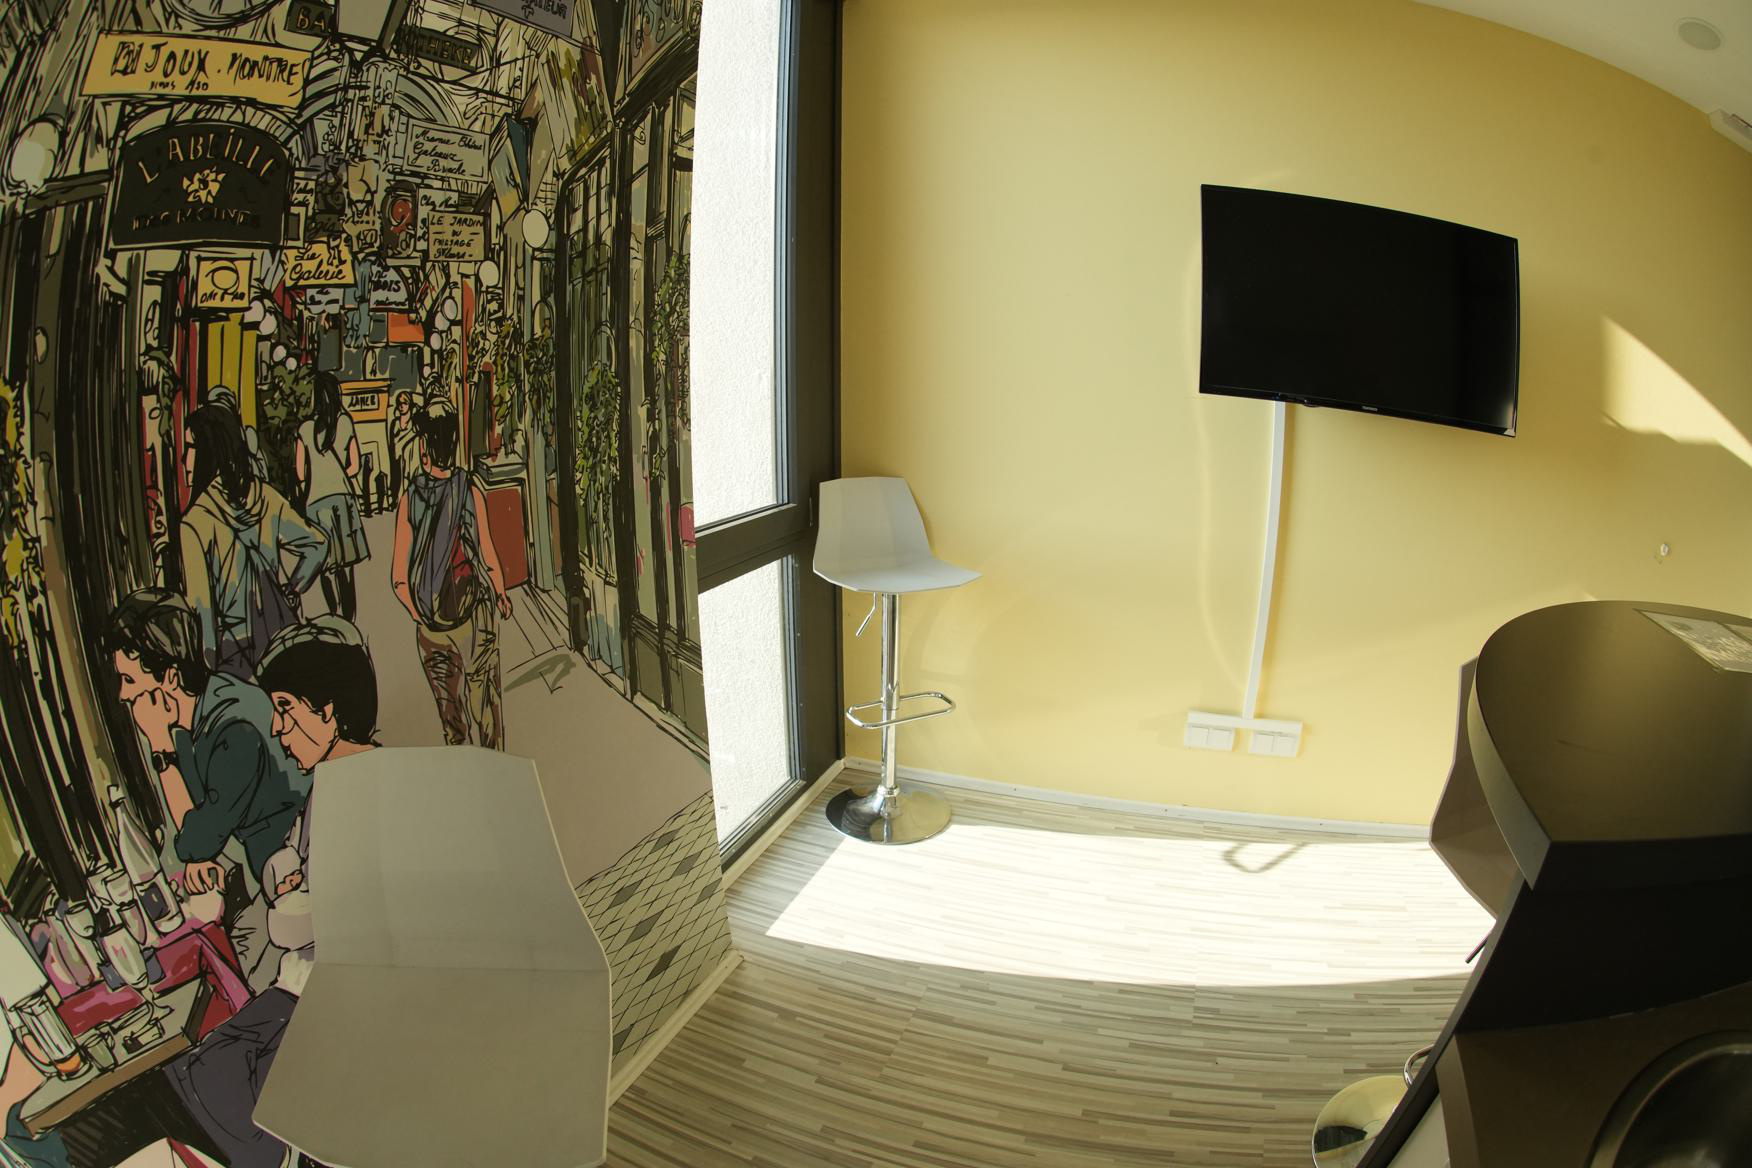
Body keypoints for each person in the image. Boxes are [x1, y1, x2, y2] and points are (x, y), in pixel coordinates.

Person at [166, 617, 376, 1168]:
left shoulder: (366, 793)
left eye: (285, 709)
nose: (278, 730)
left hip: (337, 998)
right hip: (306, 985)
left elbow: (322, 920)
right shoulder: (326, 784)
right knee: (204, 1072)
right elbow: (285, 855)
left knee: (211, 1076)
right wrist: (286, 879)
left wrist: (293, 903)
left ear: (328, 710)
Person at [105, 589, 309, 985]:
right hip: (264, 879)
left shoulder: (233, 728)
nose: (124, 695)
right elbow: (193, 836)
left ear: (169, 675)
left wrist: (159, 747)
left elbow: (195, 841)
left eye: (130, 679)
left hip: (299, 886)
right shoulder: (196, 718)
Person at [392, 404, 513, 749]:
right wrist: (501, 594)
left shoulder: (409, 499)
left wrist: (420, 613)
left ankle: (462, 772)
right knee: (487, 709)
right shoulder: (469, 490)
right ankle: (496, 768)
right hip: (473, 617)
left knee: (452, 724)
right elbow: (488, 554)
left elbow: (398, 578)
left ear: (423, 447)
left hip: (432, 630)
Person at [181, 403, 328, 679]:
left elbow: (202, 612)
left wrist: (211, 669)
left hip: (233, 655)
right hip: (280, 640)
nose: (183, 459)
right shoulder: (264, 496)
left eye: (190, 447)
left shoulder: (195, 523)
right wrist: (292, 589)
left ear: (208, 451)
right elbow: (318, 545)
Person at [295, 371, 370, 621]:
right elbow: (355, 466)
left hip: (316, 502)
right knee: (346, 566)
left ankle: (334, 616)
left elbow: (300, 473)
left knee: (326, 565)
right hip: (343, 499)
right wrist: (338, 476)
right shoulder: (345, 422)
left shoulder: (305, 429)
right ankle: (350, 619)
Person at [390, 389, 420, 501]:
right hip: (397, 459)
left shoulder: (414, 423)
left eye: (404, 403)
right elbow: (392, 443)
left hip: (411, 459)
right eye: (399, 403)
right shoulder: (395, 423)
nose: (401, 406)